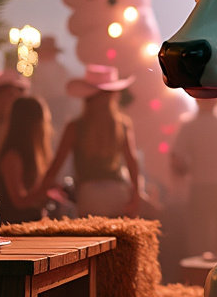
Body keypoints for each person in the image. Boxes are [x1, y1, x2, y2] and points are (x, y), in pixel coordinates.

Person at [38, 65, 142, 217]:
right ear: (113, 95)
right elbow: (132, 161)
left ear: (86, 96)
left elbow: (56, 165)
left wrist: (41, 192)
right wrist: (137, 194)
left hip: (88, 194)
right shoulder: (122, 125)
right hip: (118, 192)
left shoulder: (74, 127)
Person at [171, 97, 217, 257]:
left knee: (198, 242)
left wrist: (187, 171)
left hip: (199, 189)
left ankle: (197, 280)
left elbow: (176, 159)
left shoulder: (189, 127)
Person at [0, 95, 53, 223]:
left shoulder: (31, 155)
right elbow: (19, 202)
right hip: (15, 226)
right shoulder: (12, 156)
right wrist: (45, 186)